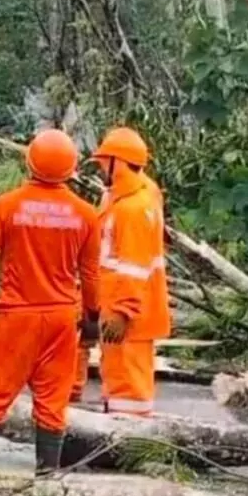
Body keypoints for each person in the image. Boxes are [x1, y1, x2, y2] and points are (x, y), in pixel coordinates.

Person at [0, 129, 100, 475]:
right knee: (52, 404)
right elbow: (91, 275)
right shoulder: (86, 214)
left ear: (29, 162)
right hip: (62, 319)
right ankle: (46, 488)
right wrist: (92, 319)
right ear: (72, 168)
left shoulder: (6, 206)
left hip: (16, 317)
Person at [84, 126, 171, 416]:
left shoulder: (132, 207)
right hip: (122, 303)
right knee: (120, 375)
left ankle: (129, 437)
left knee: (127, 385)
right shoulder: (135, 194)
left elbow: (134, 266)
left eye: (102, 163)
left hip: (127, 311)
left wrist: (122, 312)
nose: (98, 169)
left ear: (117, 162)